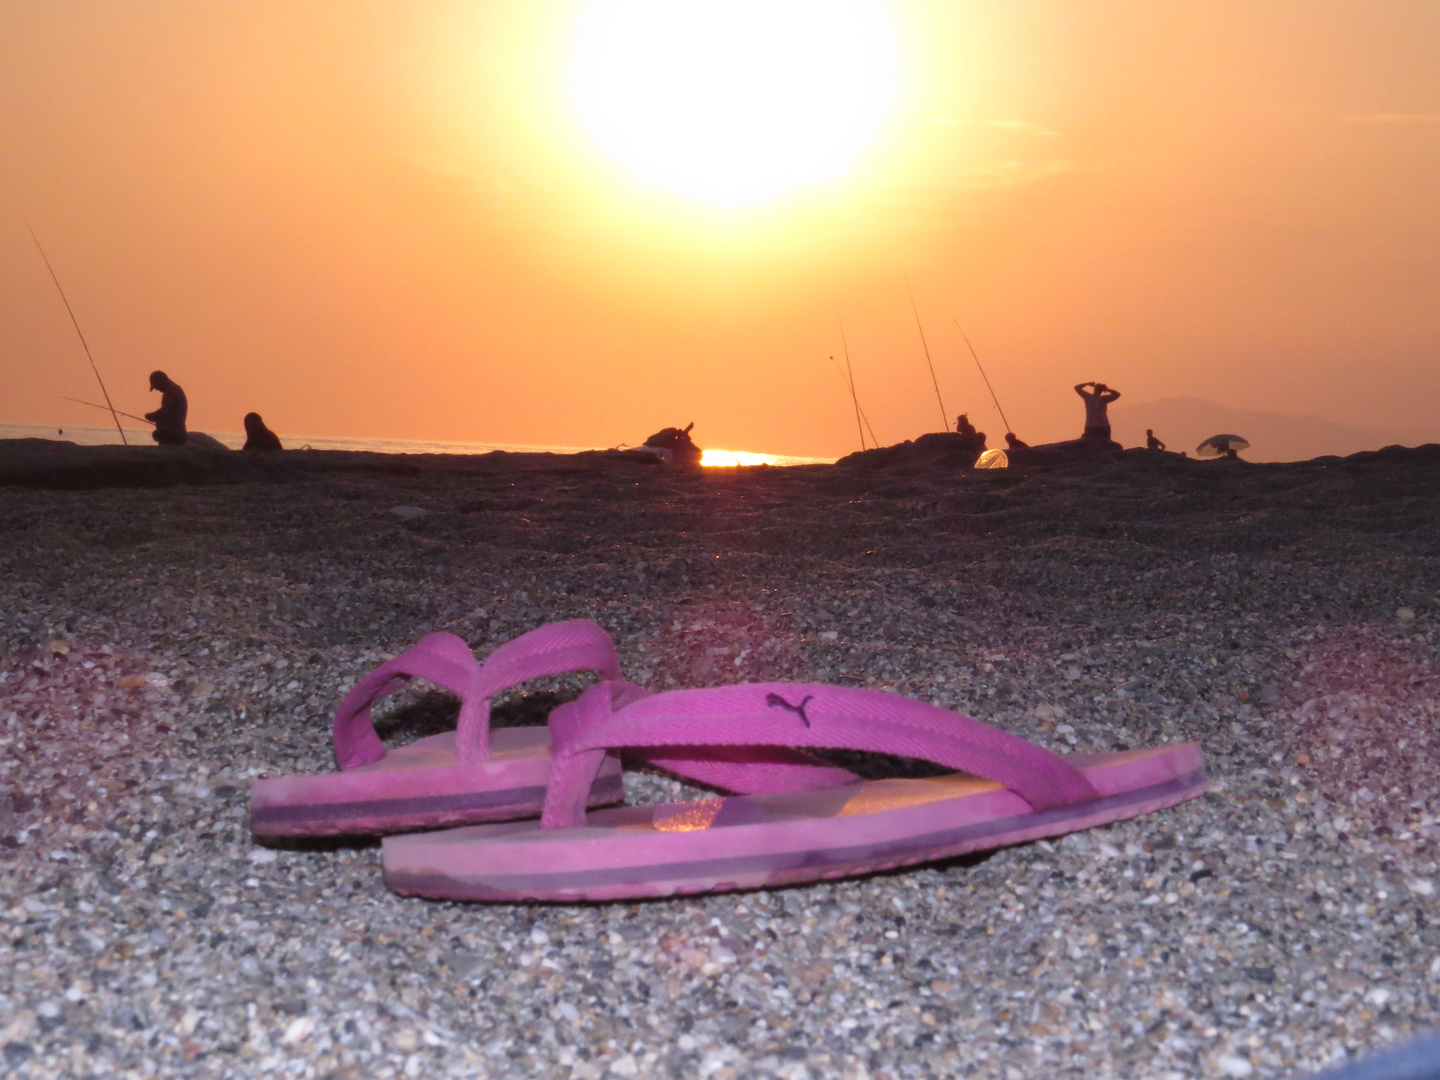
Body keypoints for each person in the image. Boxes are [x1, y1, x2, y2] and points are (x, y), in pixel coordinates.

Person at [145, 370, 187, 445]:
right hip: (173, 433)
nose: (157, 389)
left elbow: (165, 410)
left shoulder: (172, 390)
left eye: (156, 386)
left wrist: (151, 416)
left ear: (161, 381)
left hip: (172, 435)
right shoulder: (174, 389)